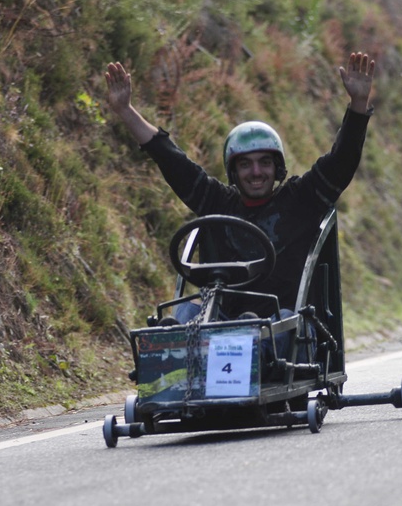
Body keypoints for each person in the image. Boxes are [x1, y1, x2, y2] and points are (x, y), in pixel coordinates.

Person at [104, 51, 375, 327]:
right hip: (221, 322)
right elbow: (171, 160)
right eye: (245, 164)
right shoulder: (217, 202)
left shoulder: (300, 200)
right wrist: (126, 111)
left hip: (282, 327)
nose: (256, 172)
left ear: (277, 168)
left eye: (264, 163)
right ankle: (177, 344)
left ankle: (251, 333)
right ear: (233, 171)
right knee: (185, 310)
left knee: (281, 321)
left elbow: (341, 162)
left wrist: (358, 104)